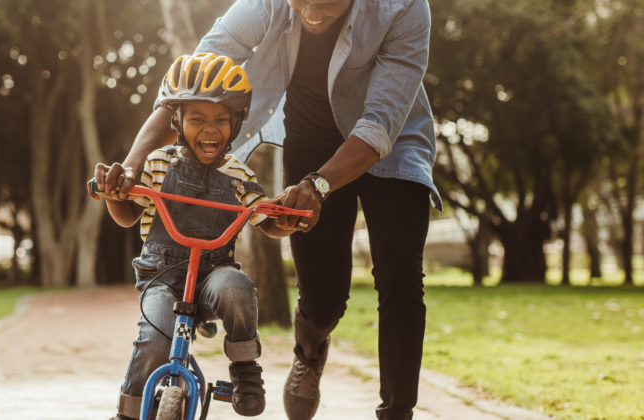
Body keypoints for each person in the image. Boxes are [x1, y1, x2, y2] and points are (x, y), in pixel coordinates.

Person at [110, 0, 442, 419]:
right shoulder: (264, 4)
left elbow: (379, 124)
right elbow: (191, 78)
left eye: (327, 5)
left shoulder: (405, 7)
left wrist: (318, 185)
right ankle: (309, 353)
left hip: (393, 141)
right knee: (323, 297)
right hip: (312, 140)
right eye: (301, 2)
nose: (313, 15)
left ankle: (398, 411)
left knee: (400, 276)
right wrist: (133, 165)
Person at [93, 53, 298, 420]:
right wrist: (114, 193)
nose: (210, 129)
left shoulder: (239, 174)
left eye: (221, 120)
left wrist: (286, 218)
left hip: (212, 276)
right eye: (198, 118)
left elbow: (264, 218)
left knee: (236, 286)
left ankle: (245, 369)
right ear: (177, 120)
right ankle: (127, 412)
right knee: (155, 340)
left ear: (236, 124)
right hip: (161, 278)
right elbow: (127, 215)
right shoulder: (157, 163)